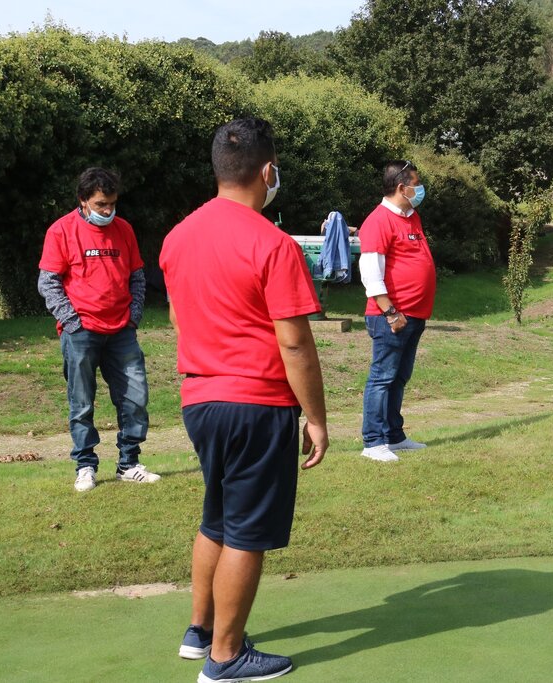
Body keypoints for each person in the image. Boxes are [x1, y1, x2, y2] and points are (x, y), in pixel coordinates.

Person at [159, 117, 328, 682]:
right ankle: (226, 659)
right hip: (256, 403)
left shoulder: (177, 237)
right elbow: (295, 343)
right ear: (266, 170)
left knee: (218, 518)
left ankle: (199, 630)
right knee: (248, 533)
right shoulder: (273, 244)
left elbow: (181, 320)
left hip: (200, 402)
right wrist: (317, 417)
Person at [38, 167, 158, 492]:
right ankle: (85, 466)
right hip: (81, 333)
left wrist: (133, 315)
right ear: (83, 200)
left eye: (112, 204)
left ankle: (129, 463)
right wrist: (73, 322)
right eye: (101, 204)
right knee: (82, 403)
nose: (108, 211)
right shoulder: (61, 231)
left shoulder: (124, 230)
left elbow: (136, 275)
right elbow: (48, 282)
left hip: (122, 331)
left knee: (135, 397)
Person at [358, 160, 437, 462]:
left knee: (400, 376)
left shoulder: (411, 217)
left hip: (415, 314)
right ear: (402, 188)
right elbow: (370, 274)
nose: (419, 189)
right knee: (383, 376)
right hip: (391, 317)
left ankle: (394, 435)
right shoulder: (378, 221)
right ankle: (373, 441)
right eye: (416, 183)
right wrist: (391, 312)